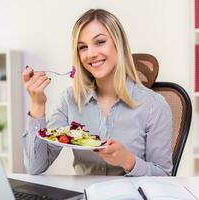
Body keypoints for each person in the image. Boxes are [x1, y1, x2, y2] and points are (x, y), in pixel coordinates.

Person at [22, 8, 172, 176]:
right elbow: (35, 167)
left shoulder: (154, 105)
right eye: (83, 47)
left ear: (119, 44)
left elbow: (164, 177)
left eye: (100, 42)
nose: (91, 54)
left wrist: (128, 161)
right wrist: (37, 104)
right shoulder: (70, 99)